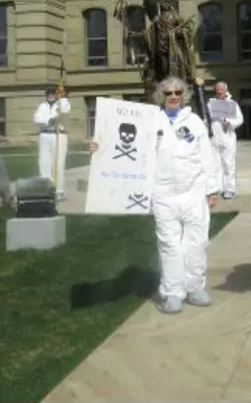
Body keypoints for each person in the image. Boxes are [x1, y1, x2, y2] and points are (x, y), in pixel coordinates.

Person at [93, 77, 221, 312]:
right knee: (169, 244)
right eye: (169, 92)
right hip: (162, 193)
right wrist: (101, 147)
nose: (173, 96)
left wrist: (211, 189)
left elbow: (207, 157)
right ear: (161, 95)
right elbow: (128, 150)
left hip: (193, 192)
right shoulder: (150, 122)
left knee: (197, 243)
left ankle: (194, 287)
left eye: (178, 92)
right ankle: (173, 292)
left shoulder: (195, 122)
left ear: (184, 95)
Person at [33, 86, 71, 201]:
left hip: (59, 135)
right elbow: (37, 119)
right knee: (44, 163)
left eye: (52, 93)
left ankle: (59, 191)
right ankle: (47, 189)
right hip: (45, 135)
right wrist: (49, 120)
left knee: (58, 163)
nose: (50, 95)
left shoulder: (63, 103)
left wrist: (62, 96)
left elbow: (63, 112)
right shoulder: (42, 106)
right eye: (48, 93)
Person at [208, 80, 244, 199]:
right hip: (215, 137)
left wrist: (229, 122)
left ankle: (230, 188)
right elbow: (207, 117)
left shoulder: (232, 104)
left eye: (221, 89)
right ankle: (219, 188)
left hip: (228, 137)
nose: (219, 92)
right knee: (216, 164)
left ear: (225, 90)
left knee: (228, 163)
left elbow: (240, 120)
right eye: (217, 90)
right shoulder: (210, 103)